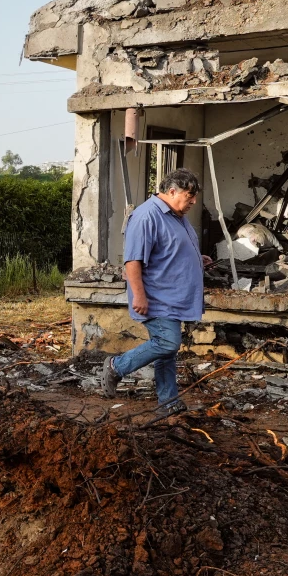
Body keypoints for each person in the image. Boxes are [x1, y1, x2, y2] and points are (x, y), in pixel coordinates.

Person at [100, 169, 213, 414]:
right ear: (172, 191)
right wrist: (138, 295)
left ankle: (168, 402)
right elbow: (133, 262)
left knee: (166, 353)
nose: (193, 201)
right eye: (189, 195)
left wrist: (195, 258)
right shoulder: (146, 216)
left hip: (173, 296)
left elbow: (168, 250)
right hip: (156, 297)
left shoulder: (176, 215)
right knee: (167, 343)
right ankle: (116, 366)